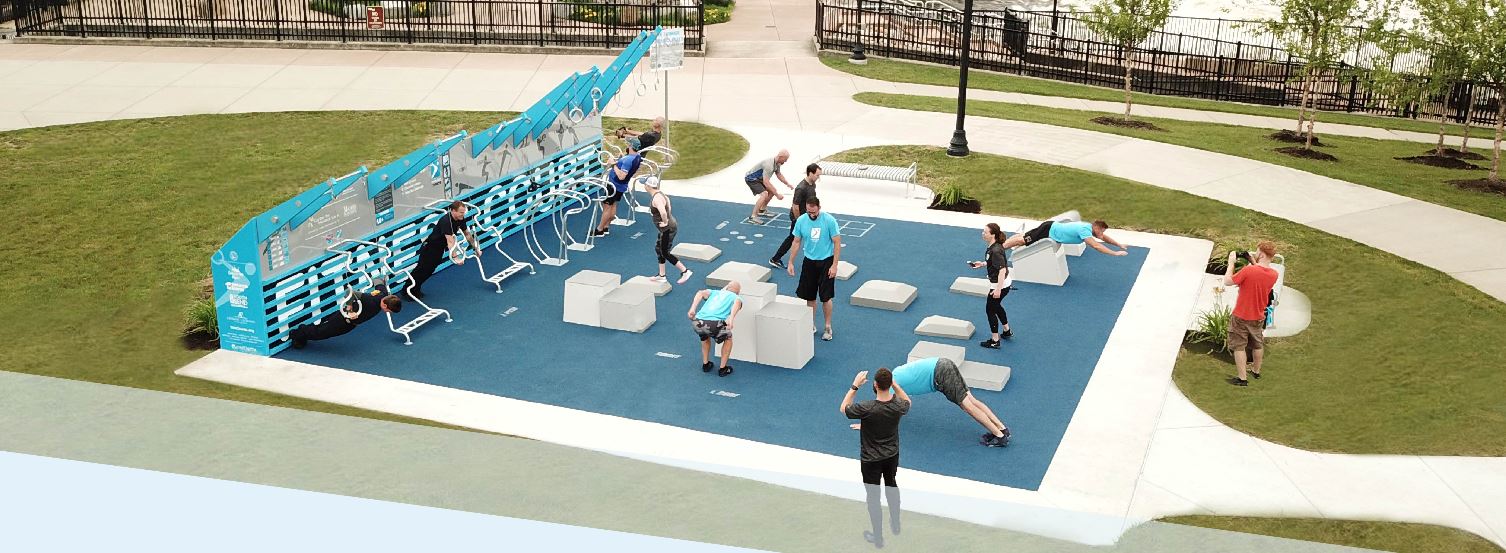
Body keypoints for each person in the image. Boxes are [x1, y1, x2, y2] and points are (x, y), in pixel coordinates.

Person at [853, 358, 1011, 447]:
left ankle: (998, 436)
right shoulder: (894, 374)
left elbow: (882, 409)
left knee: (967, 406)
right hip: (944, 364)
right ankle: (1002, 429)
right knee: (971, 400)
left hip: (940, 374)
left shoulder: (892, 387)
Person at [841, 368, 910, 548]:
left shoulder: (866, 408)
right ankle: (895, 524)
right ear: (890, 385)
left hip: (870, 460)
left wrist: (854, 386)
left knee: (873, 498)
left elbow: (844, 408)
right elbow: (907, 401)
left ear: (875, 385)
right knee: (891, 485)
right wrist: (894, 384)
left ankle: (878, 538)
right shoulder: (898, 405)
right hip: (891, 455)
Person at [786, 196, 842, 341]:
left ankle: (828, 326)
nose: (812, 215)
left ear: (819, 208)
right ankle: (811, 324)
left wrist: (834, 265)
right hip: (809, 262)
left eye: (814, 213)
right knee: (809, 297)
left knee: (826, 297)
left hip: (826, 261)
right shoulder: (801, 221)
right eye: (809, 212)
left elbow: (837, 243)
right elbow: (796, 242)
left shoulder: (829, 220)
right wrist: (791, 262)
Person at [1224, 241, 1279, 386]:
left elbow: (1228, 281)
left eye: (1257, 251)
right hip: (1258, 316)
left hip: (1241, 315)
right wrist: (1252, 261)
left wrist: (1231, 263)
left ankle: (1242, 379)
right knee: (1257, 344)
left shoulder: (1249, 271)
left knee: (1239, 346)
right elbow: (1259, 273)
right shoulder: (1274, 274)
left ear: (1261, 253)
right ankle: (1256, 371)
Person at [289, 282, 403, 349]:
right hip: (343, 319)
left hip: (351, 324)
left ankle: (302, 333)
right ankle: (297, 334)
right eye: (388, 310)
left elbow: (379, 282)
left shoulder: (384, 294)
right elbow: (350, 293)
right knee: (322, 332)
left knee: (325, 332)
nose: (388, 312)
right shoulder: (370, 300)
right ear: (384, 304)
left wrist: (379, 281)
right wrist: (349, 311)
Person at [409, 201, 478, 299]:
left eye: (464, 212)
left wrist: (475, 247)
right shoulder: (446, 221)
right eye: (461, 212)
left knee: (429, 270)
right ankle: (408, 290)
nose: (463, 214)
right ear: (453, 211)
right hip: (430, 247)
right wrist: (455, 257)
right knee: (422, 269)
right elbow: (450, 241)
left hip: (439, 248)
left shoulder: (461, 219)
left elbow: (467, 234)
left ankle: (415, 289)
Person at [968, 223, 1014, 348]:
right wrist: (982, 264)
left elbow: (1002, 270)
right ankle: (1007, 331)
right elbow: (993, 261)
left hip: (1000, 285)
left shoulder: (995, 250)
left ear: (992, 234)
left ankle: (995, 340)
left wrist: (998, 289)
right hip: (1003, 284)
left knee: (990, 310)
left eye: (985, 232)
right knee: (996, 306)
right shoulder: (994, 247)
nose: (983, 234)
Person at [769, 163, 820, 270]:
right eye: (817, 175)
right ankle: (775, 259)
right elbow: (795, 206)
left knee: (812, 236)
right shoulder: (801, 188)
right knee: (793, 238)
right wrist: (799, 221)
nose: (818, 178)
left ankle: (816, 258)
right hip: (799, 218)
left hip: (808, 216)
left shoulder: (812, 184)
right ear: (810, 173)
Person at [687, 282, 744, 377]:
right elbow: (737, 304)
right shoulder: (736, 297)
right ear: (738, 292)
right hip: (714, 324)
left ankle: (706, 364)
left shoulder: (714, 292)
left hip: (697, 322)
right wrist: (731, 318)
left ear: (726, 288)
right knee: (728, 338)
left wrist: (692, 309)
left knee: (704, 337)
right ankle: (723, 369)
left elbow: (700, 293)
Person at [643, 177, 692, 285]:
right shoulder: (661, 194)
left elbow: (663, 212)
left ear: (648, 186)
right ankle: (662, 276)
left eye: (645, 184)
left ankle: (685, 271)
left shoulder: (656, 198)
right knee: (658, 248)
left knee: (665, 252)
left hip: (667, 229)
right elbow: (669, 207)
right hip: (668, 227)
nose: (644, 186)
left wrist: (665, 222)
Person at [593, 137, 644, 238]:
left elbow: (621, 176)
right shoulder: (637, 157)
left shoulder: (628, 160)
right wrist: (620, 160)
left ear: (630, 146)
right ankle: (607, 227)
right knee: (613, 205)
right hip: (621, 186)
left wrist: (613, 165)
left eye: (628, 144)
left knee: (607, 207)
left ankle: (599, 229)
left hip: (614, 185)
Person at [999, 217, 1129, 257]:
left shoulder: (1088, 228)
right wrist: (1115, 253)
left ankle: (1000, 246)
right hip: (1048, 230)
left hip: (1050, 227)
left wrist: (1119, 244)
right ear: (1096, 226)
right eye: (1101, 231)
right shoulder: (1085, 230)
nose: (1101, 234)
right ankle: (998, 250)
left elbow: (1103, 238)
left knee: (1024, 237)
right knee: (1022, 241)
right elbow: (1096, 245)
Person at [742, 149, 793, 224]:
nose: (785, 162)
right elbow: (766, 182)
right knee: (764, 194)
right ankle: (753, 216)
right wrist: (777, 194)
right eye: (785, 159)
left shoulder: (777, 163)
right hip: (751, 179)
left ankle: (762, 210)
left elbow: (778, 174)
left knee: (771, 191)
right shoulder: (769, 165)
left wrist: (787, 183)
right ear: (781, 157)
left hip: (759, 179)